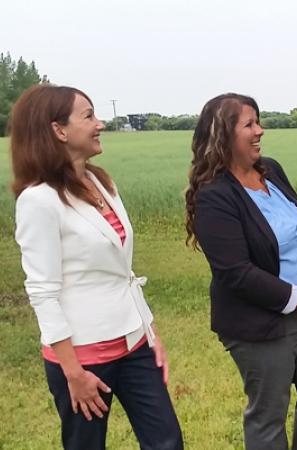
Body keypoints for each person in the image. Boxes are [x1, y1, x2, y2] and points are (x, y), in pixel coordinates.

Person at [10, 85, 183, 450]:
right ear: (59, 130)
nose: (99, 123)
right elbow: (42, 291)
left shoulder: (101, 181)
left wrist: (151, 335)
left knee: (167, 442)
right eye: (88, 116)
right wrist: (73, 373)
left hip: (134, 344)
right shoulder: (38, 201)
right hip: (83, 359)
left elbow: (124, 273)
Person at [185, 93, 297, 450]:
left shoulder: (270, 169)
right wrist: (294, 296)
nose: (260, 131)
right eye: (249, 124)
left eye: (259, 122)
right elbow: (234, 272)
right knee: (269, 412)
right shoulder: (214, 195)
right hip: (259, 321)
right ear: (223, 135)